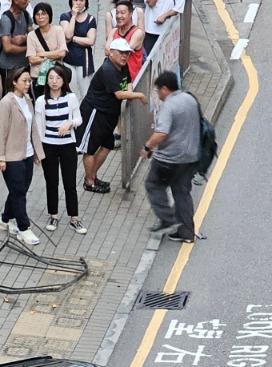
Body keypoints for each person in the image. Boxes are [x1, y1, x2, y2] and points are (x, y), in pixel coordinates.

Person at [77, 37, 145, 194]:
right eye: (121, 53)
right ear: (111, 54)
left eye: (127, 53)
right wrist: (138, 95)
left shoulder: (122, 66)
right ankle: (89, 182)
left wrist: (130, 89)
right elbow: (120, 94)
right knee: (90, 149)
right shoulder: (108, 70)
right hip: (95, 113)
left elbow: (128, 81)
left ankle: (93, 176)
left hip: (108, 115)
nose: (125, 56)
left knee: (107, 145)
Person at [141, 69, 198, 242]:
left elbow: (161, 133)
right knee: (182, 192)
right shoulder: (189, 99)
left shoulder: (169, 106)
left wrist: (147, 146)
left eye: (158, 91)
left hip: (169, 158)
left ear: (165, 89)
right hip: (190, 156)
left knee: (153, 185)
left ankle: (167, 220)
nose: (158, 95)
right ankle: (187, 233)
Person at [0, 69, 45, 246]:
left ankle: (5, 218)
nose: (28, 84)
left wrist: (37, 153)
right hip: (11, 156)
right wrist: (1, 157)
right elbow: (0, 132)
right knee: (18, 192)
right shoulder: (6, 103)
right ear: (14, 82)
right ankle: (24, 228)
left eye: (29, 81)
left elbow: (33, 129)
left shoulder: (27, 100)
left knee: (19, 190)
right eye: (24, 81)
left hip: (28, 153)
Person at [36, 65, 85, 233]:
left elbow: (79, 118)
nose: (54, 82)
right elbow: (38, 127)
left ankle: (74, 218)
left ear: (64, 80)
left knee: (70, 182)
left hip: (67, 145)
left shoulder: (71, 98)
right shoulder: (41, 101)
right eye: (51, 78)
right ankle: (54, 215)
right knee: (51, 182)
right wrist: (38, 151)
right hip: (49, 145)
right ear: (46, 81)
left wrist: (69, 123)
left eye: (58, 78)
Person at [25, 2, 67, 93]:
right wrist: (53, 55)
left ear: (49, 15)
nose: (40, 17)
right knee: (40, 104)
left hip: (56, 76)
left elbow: (62, 53)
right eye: (37, 14)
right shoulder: (31, 35)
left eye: (43, 14)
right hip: (38, 77)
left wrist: (42, 54)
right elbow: (32, 59)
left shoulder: (58, 30)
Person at [0, 0, 32, 91]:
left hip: (24, 64)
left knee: (25, 94)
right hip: (9, 67)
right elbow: (7, 48)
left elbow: (32, 35)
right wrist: (28, 48)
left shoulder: (26, 15)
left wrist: (23, 38)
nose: (28, 1)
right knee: (10, 95)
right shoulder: (6, 19)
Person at [59, 0, 97, 85]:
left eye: (82, 0)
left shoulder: (91, 19)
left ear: (86, 2)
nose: (78, 3)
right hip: (67, 60)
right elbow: (68, 35)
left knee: (85, 92)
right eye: (75, 0)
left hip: (84, 62)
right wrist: (73, 16)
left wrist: (74, 38)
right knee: (71, 91)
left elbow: (91, 40)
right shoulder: (65, 16)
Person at [107, 0, 144, 81]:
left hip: (131, 79)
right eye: (117, 13)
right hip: (114, 78)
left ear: (131, 14)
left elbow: (125, 51)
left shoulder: (137, 32)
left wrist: (112, 51)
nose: (119, 16)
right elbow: (106, 51)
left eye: (123, 13)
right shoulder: (114, 31)